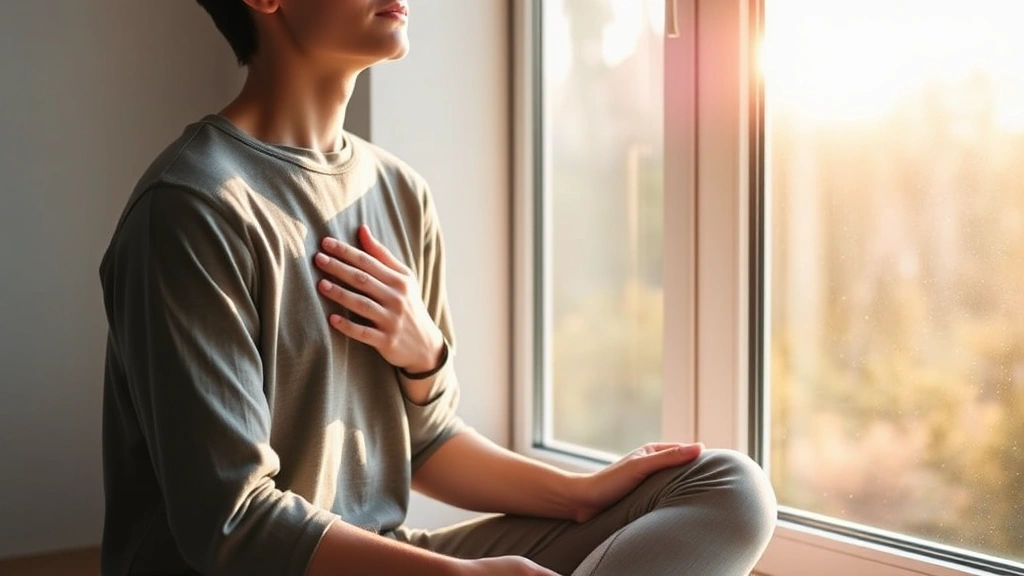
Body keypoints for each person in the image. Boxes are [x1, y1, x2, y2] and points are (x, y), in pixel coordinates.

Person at [97, 1, 777, 574]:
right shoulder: (190, 208)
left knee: (727, 488)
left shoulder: (398, 192)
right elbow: (231, 522)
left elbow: (424, 444)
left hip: (386, 555)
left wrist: (575, 490)